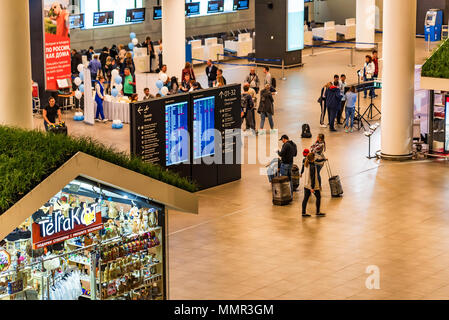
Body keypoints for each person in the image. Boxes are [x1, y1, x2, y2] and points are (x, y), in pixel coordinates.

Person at [301, 153, 326, 218]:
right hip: (312, 186)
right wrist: (312, 188)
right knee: (318, 197)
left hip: (306, 184)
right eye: (314, 157)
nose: (315, 158)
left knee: (305, 198)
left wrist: (324, 159)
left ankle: (303, 213)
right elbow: (313, 177)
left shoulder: (306, 163)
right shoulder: (312, 166)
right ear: (312, 158)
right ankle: (318, 212)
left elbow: (318, 160)